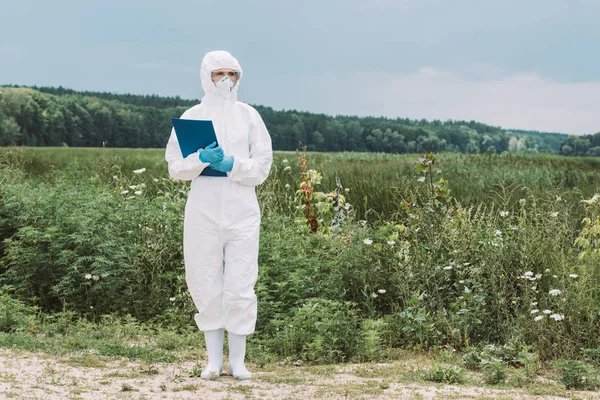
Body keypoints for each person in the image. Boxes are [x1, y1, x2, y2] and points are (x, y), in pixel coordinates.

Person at [164, 50, 272, 380]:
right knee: (204, 278)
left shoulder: (249, 116)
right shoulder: (193, 116)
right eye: (219, 73)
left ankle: (238, 361)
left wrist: (234, 165)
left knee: (241, 282)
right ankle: (213, 361)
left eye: (232, 74)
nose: (226, 79)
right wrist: (200, 159)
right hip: (203, 209)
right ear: (206, 76)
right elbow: (175, 167)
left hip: (241, 209)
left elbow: (263, 165)